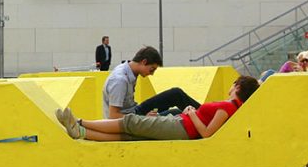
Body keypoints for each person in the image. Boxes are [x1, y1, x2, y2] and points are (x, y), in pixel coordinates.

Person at [57, 76, 259, 142]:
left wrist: (190, 114)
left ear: (238, 87)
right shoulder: (232, 108)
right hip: (182, 125)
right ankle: (81, 133)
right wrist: (192, 113)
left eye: (234, 84)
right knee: (131, 136)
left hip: (182, 126)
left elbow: (207, 134)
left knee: (131, 121)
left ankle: (80, 122)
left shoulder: (228, 107)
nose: (230, 87)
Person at [101, 46, 199, 118]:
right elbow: (113, 116)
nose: (151, 74)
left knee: (178, 106)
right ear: (143, 62)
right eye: (151, 69)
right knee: (176, 101)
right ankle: (207, 115)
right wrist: (144, 119)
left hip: (134, 112)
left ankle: (206, 113)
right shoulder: (120, 80)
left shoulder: (128, 70)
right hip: (130, 121)